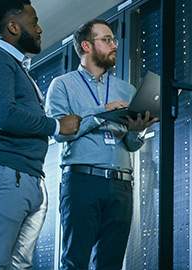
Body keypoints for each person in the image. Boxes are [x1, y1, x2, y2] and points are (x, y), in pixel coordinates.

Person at [0, 0, 80, 269]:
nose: (40, 29)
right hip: (4, 173)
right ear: (13, 26)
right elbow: (5, 116)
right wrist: (55, 125)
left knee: (19, 265)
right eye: (34, 22)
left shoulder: (19, 68)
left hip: (27, 176)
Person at [45, 19, 158, 269]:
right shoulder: (62, 85)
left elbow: (130, 144)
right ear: (86, 45)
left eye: (114, 40)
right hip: (82, 181)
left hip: (121, 184)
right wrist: (101, 112)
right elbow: (60, 133)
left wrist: (137, 132)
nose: (114, 45)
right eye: (106, 40)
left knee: (111, 263)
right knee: (75, 260)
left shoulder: (125, 89)